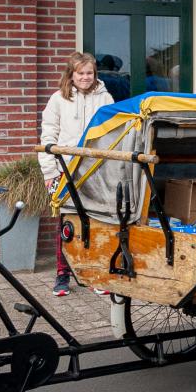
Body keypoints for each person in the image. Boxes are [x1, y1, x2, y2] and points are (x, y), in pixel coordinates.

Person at [38, 51, 114, 297]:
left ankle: (94, 274)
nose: (85, 77)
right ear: (71, 75)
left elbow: (113, 135)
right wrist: (50, 173)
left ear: (95, 74)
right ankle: (63, 275)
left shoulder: (106, 98)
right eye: (80, 73)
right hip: (65, 171)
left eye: (89, 73)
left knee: (95, 222)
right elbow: (48, 137)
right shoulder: (58, 99)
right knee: (68, 223)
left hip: (95, 171)